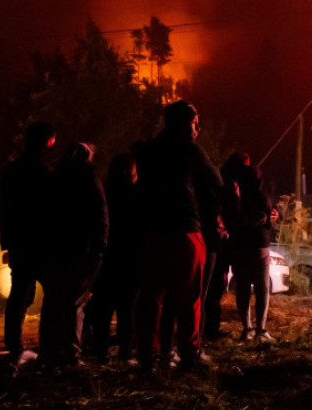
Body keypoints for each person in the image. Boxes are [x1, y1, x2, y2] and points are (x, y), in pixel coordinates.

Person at [134, 100, 222, 372]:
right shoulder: (190, 151)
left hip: (151, 231)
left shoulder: (144, 151)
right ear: (185, 124)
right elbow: (215, 182)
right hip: (185, 230)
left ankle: (148, 355)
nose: (198, 128)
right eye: (195, 123)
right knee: (189, 297)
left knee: (151, 295)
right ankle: (188, 354)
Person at [40, 142, 108, 367]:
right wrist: (99, 246)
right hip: (79, 249)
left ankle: (50, 350)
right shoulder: (90, 181)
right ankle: (70, 352)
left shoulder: (53, 179)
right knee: (75, 301)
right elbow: (100, 216)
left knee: (53, 300)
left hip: (55, 248)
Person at [0, 121, 56, 367]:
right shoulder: (41, 171)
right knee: (51, 293)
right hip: (38, 242)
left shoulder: (12, 171)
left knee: (21, 293)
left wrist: (7, 242)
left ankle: (15, 346)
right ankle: (47, 346)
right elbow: (47, 209)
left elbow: (5, 209)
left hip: (20, 241)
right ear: (46, 142)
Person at [86, 153, 142, 364]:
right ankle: (125, 354)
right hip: (130, 256)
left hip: (107, 256)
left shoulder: (104, 191)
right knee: (127, 309)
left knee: (104, 308)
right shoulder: (136, 194)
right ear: (131, 171)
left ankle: (102, 354)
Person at [221, 152, 276, 343]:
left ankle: (248, 328)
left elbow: (234, 217)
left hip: (238, 242)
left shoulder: (230, 189)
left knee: (243, 286)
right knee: (261, 287)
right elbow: (263, 216)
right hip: (258, 242)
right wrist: (268, 218)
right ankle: (260, 329)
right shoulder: (257, 193)